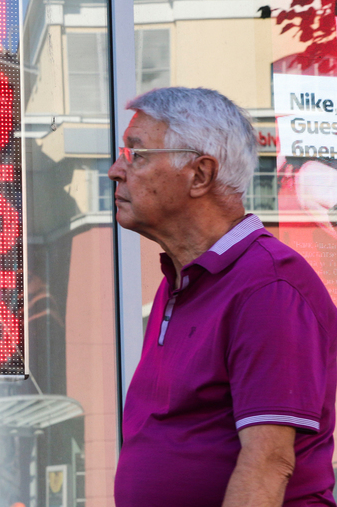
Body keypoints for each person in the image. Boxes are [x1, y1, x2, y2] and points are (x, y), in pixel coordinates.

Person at [110, 87, 337, 507]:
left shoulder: (269, 286)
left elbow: (268, 463)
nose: (116, 171)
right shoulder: (182, 278)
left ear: (200, 174)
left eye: (137, 155)